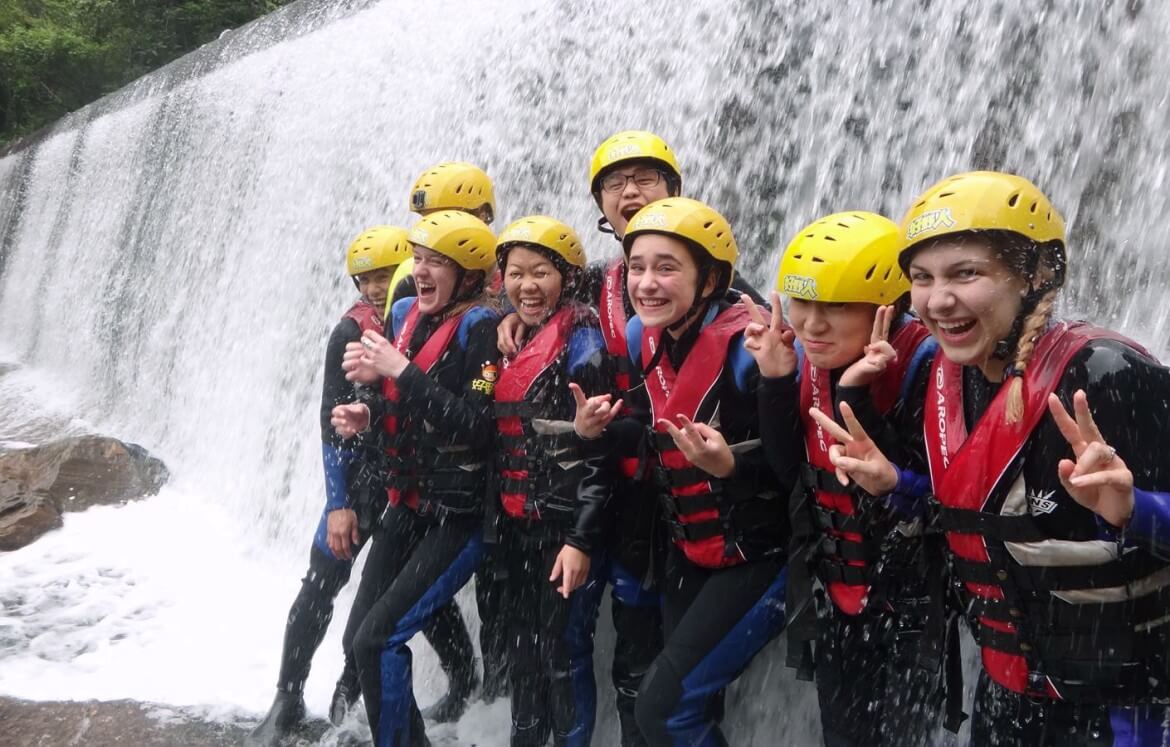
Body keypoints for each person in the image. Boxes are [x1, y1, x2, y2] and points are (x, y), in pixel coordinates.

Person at [812, 171, 1170, 745]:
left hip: (1124, 708)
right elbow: (976, 515)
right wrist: (895, 483)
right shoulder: (944, 381)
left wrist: (1134, 509)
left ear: (1038, 273)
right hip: (1008, 696)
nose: (938, 299)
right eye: (923, 279)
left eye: (966, 273)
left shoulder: (1106, 374)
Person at [574, 197, 790, 747]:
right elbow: (654, 432)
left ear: (712, 277)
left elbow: (798, 470)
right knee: (683, 708)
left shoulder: (751, 348)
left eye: (666, 268)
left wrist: (732, 464)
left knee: (665, 710)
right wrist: (593, 429)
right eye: (638, 267)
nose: (646, 283)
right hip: (689, 550)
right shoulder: (644, 337)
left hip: (756, 557)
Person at [738, 212, 947, 745]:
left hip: (909, 611)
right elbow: (795, 475)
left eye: (835, 306)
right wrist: (777, 379)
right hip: (837, 596)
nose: (811, 325)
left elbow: (939, 505)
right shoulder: (808, 359)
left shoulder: (927, 365)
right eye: (802, 303)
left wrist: (856, 394)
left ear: (889, 306)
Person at [331, 210, 499, 747]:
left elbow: (476, 426)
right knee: (361, 639)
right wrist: (369, 412)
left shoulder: (483, 327)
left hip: (459, 514)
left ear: (469, 275)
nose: (421, 272)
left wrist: (400, 372)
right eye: (419, 259)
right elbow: (404, 408)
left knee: (379, 640)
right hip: (409, 502)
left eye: (437, 263)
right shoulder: (406, 313)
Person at [248, 226, 410, 746]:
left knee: (413, 595)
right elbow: (329, 421)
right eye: (365, 280)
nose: (373, 289)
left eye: (384, 276)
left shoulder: (427, 321)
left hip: (414, 481)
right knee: (321, 582)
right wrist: (339, 503)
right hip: (362, 482)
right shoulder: (350, 331)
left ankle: (461, 684)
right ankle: (287, 696)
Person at [491, 215, 610, 746]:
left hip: (564, 525)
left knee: (560, 647)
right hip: (519, 522)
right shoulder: (513, 333)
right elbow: (484, 393)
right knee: (523, 647)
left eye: (541, 272)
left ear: (565, 276)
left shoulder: (582, 335)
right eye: (516, 274)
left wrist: (580, 536)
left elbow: (599, 444)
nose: (527, 286)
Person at [405, 159, 511, 710]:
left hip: (501, 482)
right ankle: (463, 682)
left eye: (457, 217)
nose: (443, 230)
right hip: (436, 478)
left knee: (499, 596)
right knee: (421, 591)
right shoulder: (413, 288)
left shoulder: (516, 279)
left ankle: (493, 700)